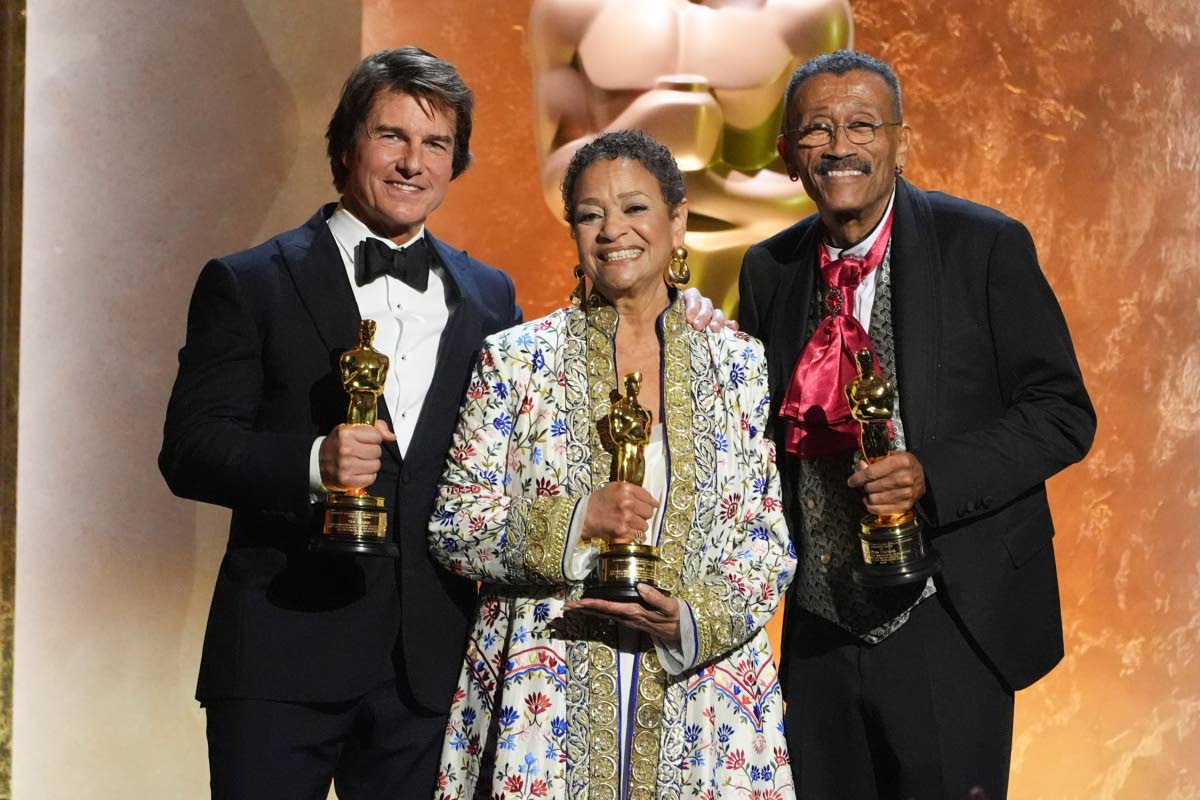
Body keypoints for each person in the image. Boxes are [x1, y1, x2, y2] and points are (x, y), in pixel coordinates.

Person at [159, 47, 727, 799]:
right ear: (346, 144)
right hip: (281, 654)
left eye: (434, 144)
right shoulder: (250, 280)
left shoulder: (489, 294)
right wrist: (311, 464)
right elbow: (191, 449)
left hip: (431, 670)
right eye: (391, 136)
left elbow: (538, 441)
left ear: (455, 161)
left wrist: (680, 325)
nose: (411, 163)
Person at [738, 50, 1095, 799]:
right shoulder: (766, 270)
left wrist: (933, 472)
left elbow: (1063, 413)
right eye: (817, 130)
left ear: (902, 141)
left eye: (863, 125)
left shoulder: (985, 247)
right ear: (786, 155)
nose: (840, 147)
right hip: (820, 622)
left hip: (954, 616)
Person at [428, 130, 796, 800]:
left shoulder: (738, 365)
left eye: (634, 208)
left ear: (677, 219)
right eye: (590, 214)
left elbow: (766, 542)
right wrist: (575, 521)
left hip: (703, 697)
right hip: (545, 691)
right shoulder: (515, 360)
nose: (612, 231)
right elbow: (455, 525)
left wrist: (687, 620)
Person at [528, 0, 853, 310]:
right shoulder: (569, 11)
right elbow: (558, 183)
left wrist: (698, 189)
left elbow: (829, 187)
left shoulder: (808, 12)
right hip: (623, 300)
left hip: (751, 296)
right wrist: (646, 123)